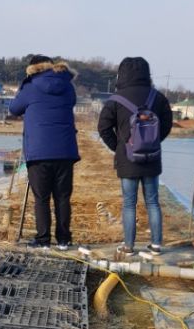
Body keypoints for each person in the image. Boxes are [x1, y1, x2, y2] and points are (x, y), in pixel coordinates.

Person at [97, 56, 173, 260]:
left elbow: (103, 127)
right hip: (152, 158)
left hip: (127, 159)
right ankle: (156, 244)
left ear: (122, 74)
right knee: (153, 202)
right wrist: (154, 142)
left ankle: (129, 247)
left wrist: (119, 147)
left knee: (129, 203)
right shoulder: (157, 97)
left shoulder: (116, 100)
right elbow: (167, 124)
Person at [9, 54, 79, 249]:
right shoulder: (67, 85)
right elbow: (71, 102)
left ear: (32, 69)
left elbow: (14, 109)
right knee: (63, 197)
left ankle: (43, 240)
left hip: (39, 151)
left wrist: (22, 87)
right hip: (65, 150)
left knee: (41, 198)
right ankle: (64, 240)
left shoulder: (30, 87)